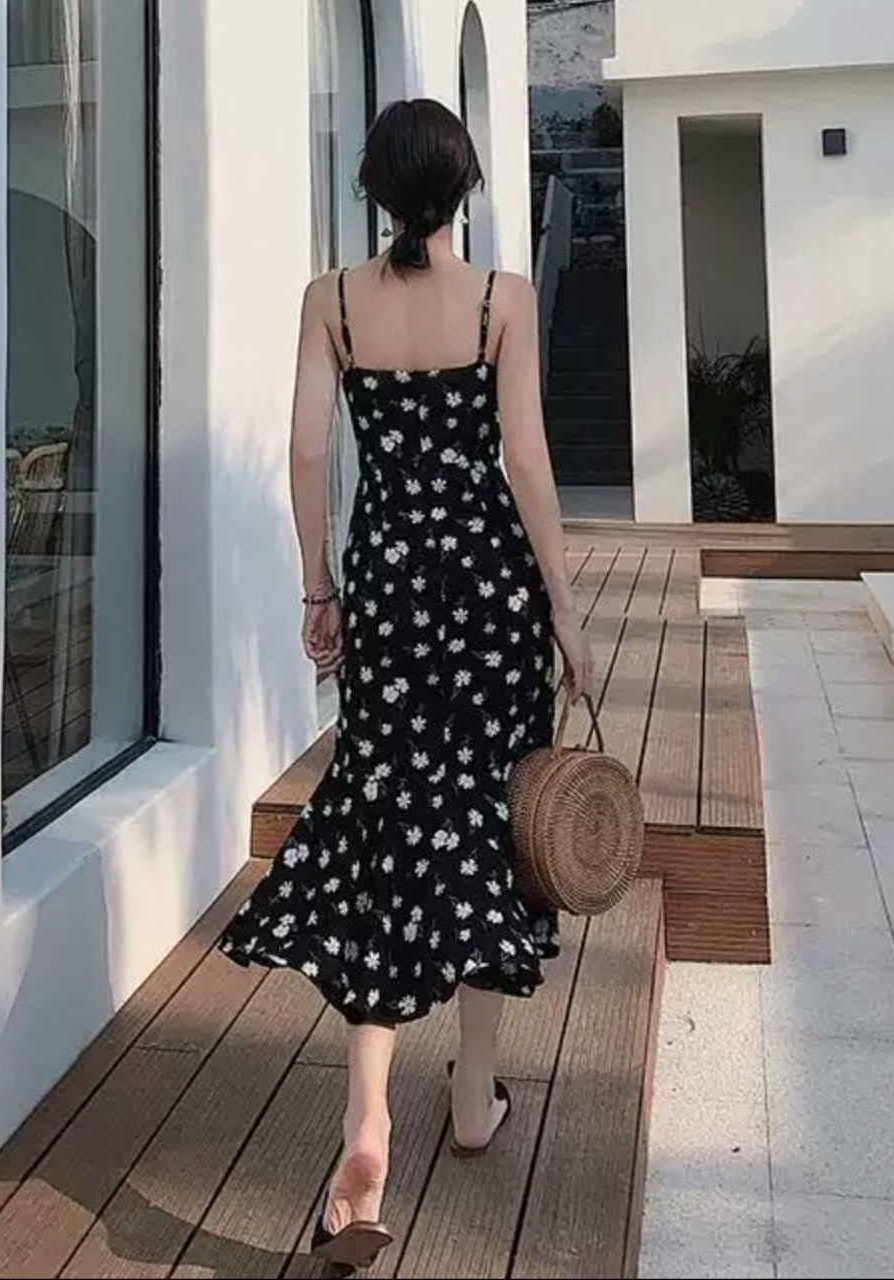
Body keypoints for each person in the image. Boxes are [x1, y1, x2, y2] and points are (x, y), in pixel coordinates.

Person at [218, 97, 594, 1273]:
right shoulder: (499, 302)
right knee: (489, 819)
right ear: (463, 187)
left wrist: (315, 585)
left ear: (373, 191)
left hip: (385, 588)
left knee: (388, 821)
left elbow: (307, 449)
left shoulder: (330, 300)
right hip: (486, 589)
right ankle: (473, 1096)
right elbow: (525, 458)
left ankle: (366, 1128)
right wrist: (563, 607)